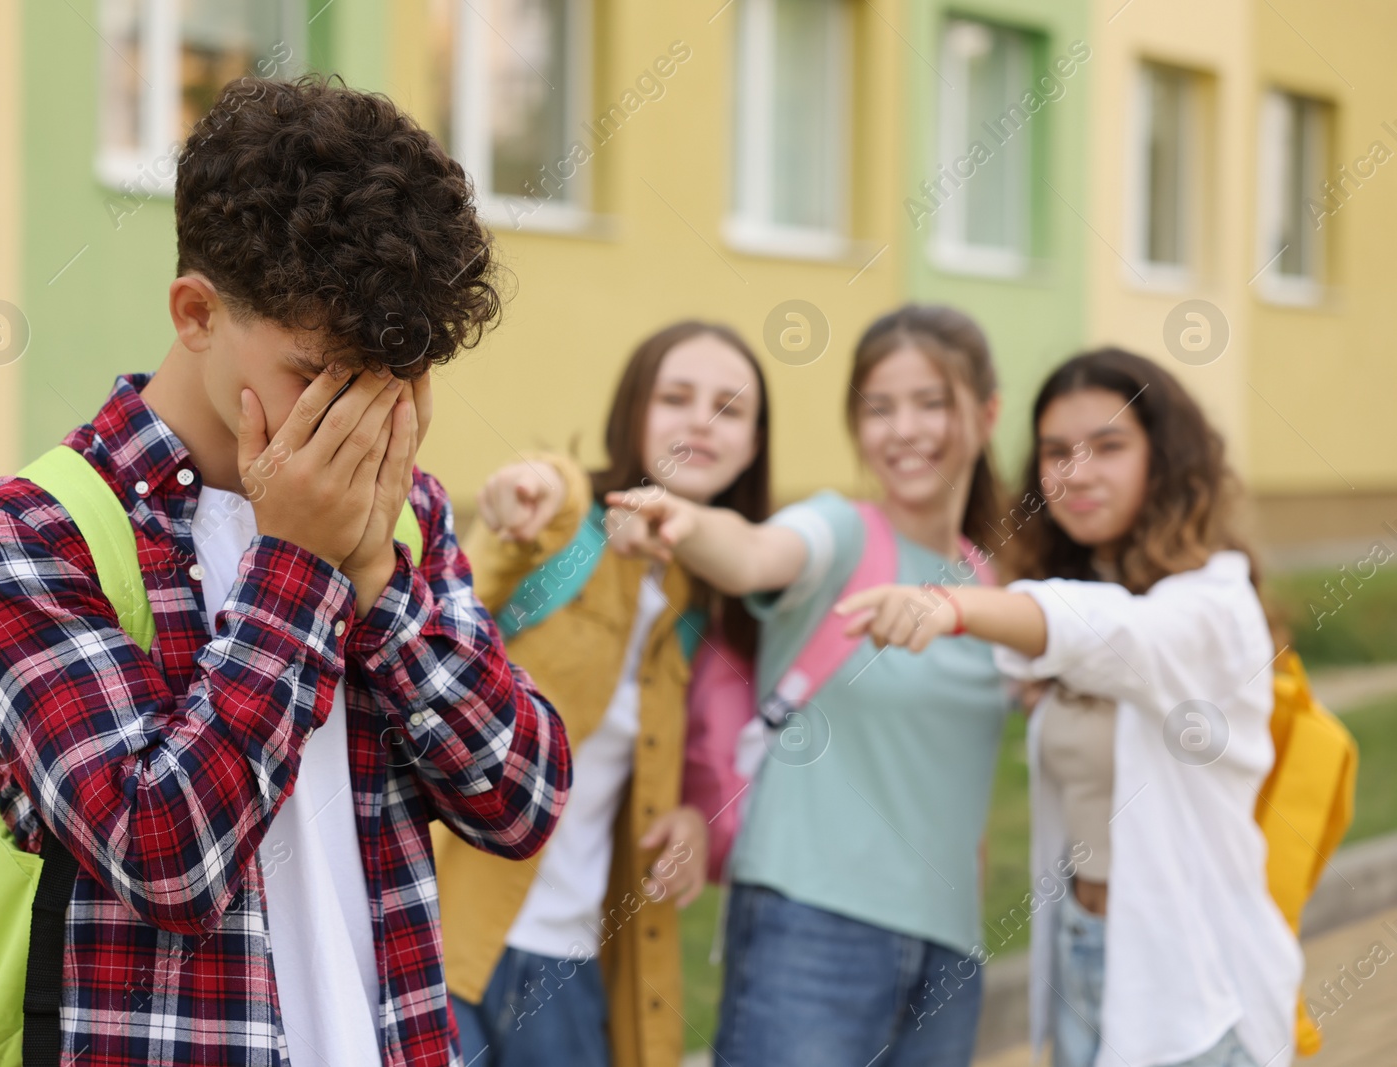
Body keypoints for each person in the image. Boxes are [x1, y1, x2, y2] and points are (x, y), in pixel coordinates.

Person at [0, 76, 571, 1067]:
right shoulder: (25, 532)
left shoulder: (405, 512)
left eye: (398, 374)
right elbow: (167, 857)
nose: (364, 415)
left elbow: (522, 798)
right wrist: (302, 563)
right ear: (195, 311)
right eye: (321, 374)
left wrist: (376, 574)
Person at [836, 348, 1302, 1067]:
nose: (1076, 473)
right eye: (1056, 453)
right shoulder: (1071, 595)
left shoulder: (1215, 601)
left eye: (1109, 447)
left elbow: (1114, 630)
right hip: (1085, 950)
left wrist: (952, 606)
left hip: (1196, 979)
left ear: (1166, 459)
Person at [609, 304, 1012, 1066]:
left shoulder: (988, 582)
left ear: (986, 412)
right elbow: (757, 552)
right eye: (879, 407)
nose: (905, 429)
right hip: (812, 931)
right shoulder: (841, 531)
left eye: (931, 401)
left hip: (950, 950)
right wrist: (689, 524)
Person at [437, 320, 770, 1067]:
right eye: (676, 395)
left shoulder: (700, 601)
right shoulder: (567, 521)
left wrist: (688, 818)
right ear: (633, 413)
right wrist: (519, 492)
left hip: (570, 959)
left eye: (730, 406)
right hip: (453, 936)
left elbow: (674, 767)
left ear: (754, 443)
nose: (700, 420)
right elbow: (528, 499)